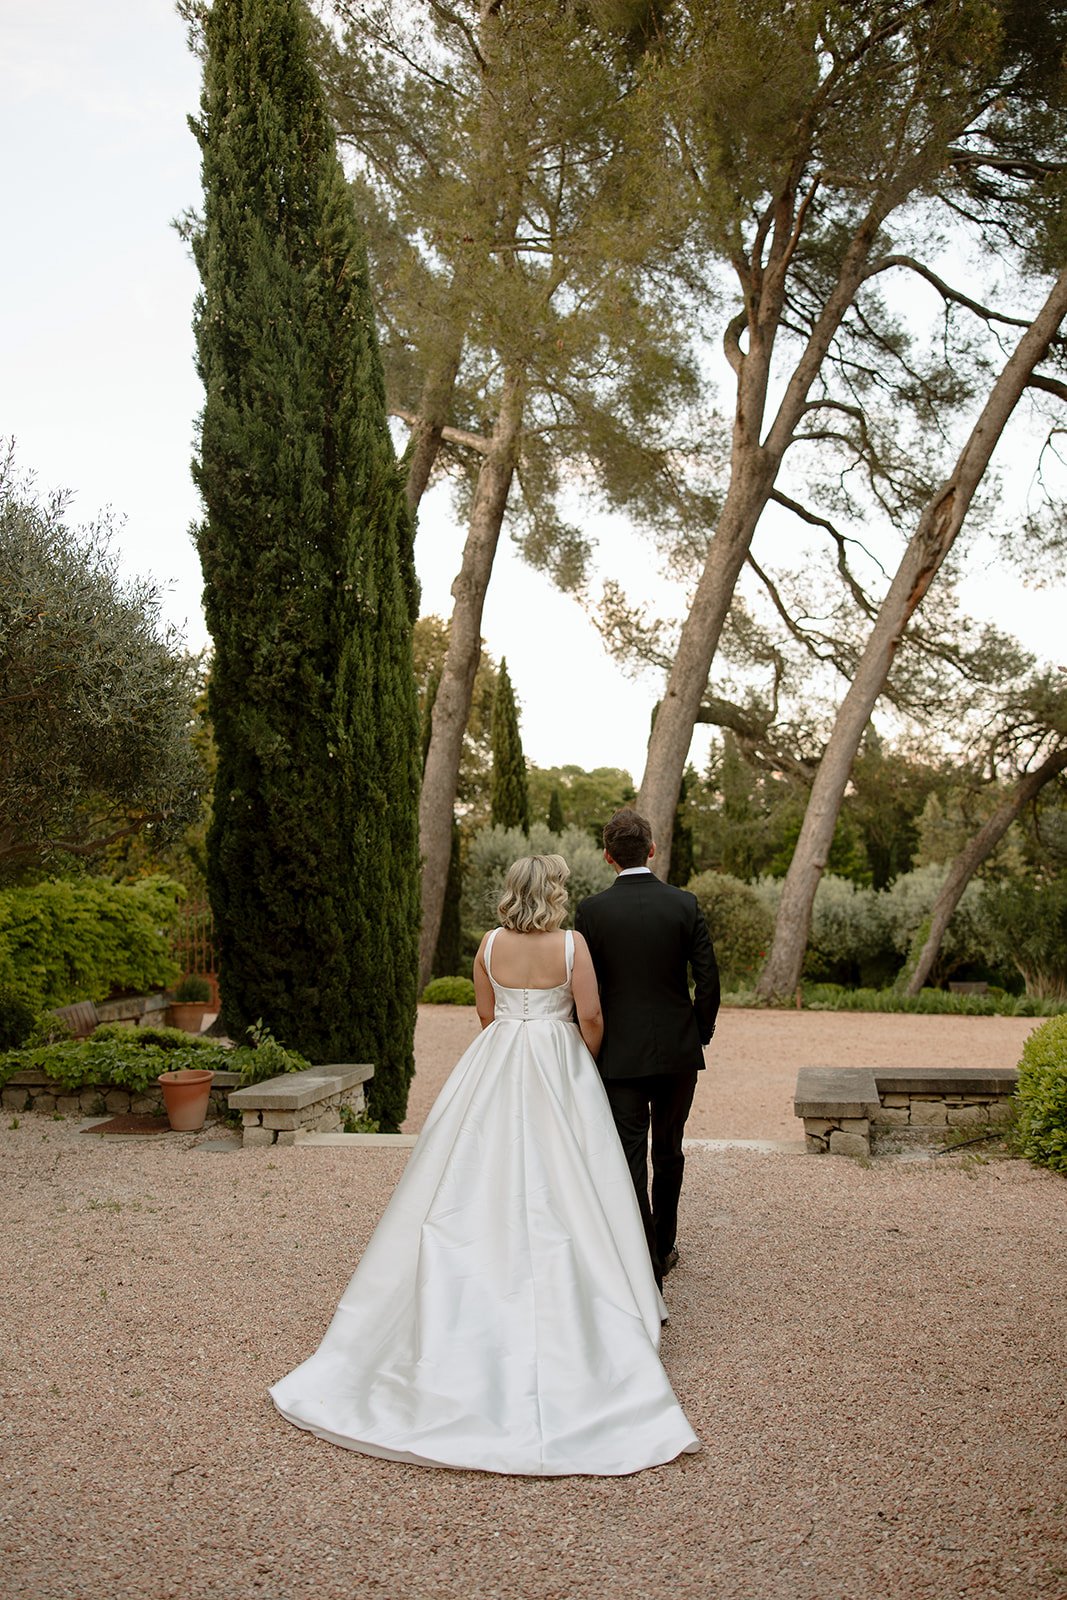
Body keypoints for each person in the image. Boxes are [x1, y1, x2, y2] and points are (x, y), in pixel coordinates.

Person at [270, 854, 699, 1476]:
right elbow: (593, 1017)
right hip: (559, 1058)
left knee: (470, 1167)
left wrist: (516, 1034)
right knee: (578, 1179)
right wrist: (579, 1061)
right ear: (553, 892)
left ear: (509, 893)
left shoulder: (490, 944)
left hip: (497, 1058)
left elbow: (486, 1015)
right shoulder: (573, 944)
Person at [575, 809, 719, 1289]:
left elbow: (585, 990)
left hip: (619, 1055)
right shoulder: (685, 904)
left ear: (607, 856)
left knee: (630, 1154)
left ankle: (643, 1257)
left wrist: (589, 1043)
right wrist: (699, 1030)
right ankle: (663, 1246)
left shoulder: (591, 912)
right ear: (652, 850)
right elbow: (709, 980)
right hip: (677, 1052)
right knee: (670, 1149)